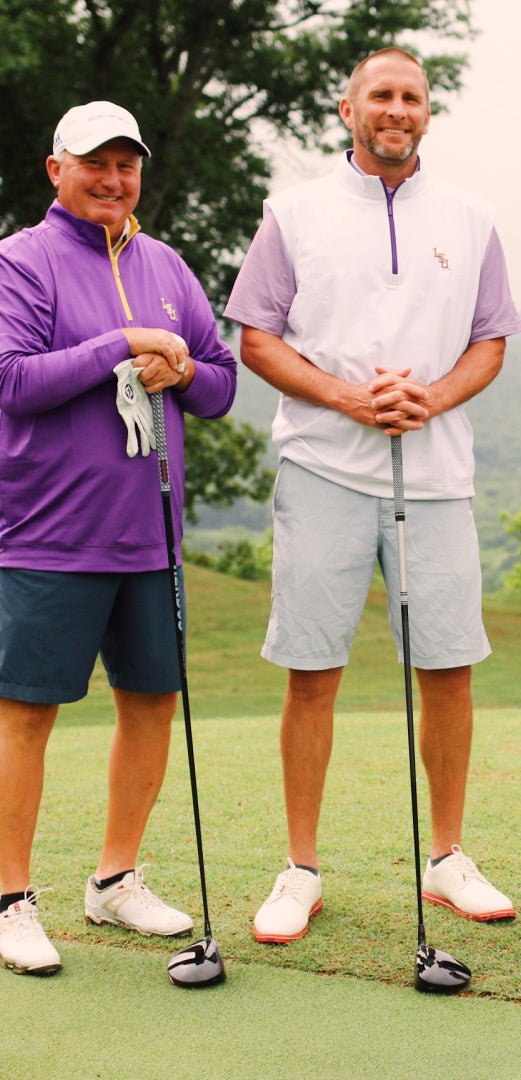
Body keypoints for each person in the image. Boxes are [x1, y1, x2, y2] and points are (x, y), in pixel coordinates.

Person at [225, 48, 521, 942]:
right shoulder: (296, 212)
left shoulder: (471, 219)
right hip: (322, 467)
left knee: (448, 670)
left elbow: (491, 341)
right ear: (347, 106)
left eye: (412, 98)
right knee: (313, 673)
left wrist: (431, 395)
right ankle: (300, 869)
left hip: (435, 477)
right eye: (381, 96)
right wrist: (350, 396)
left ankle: (448, 858)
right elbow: (257, 338)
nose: (396, 110)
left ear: (428, 114)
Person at [0, 101, 238, 976]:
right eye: (93, 162)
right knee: (25, 714)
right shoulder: (19, 263)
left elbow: (220, 385)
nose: (111, 179)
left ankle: (114, 878)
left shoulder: (166, 263)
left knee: (151, 703)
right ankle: (9, 898)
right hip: (47, 534)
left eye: (125, 164)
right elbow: (14, 381)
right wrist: (123, 343)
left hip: (152, 538)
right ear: (54, 168)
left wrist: (180, 367)